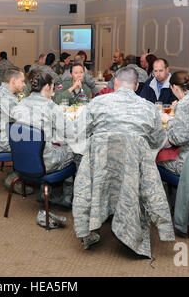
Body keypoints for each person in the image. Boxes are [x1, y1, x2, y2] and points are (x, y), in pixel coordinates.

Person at [73, 67, 168, 249]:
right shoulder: (149, 108)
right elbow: (158, 141)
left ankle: (92, 226)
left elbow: (78, 132)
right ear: (137, 86)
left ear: (115, 83)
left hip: (102, 169)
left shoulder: (97, 103)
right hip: (132, 171)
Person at [11, 68, 75, 209]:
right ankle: (67, 197)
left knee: (45, 145)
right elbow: (70, 133)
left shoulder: (20, 104)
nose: (52, 92)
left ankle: (44, 192)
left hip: (21, 160)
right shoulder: (51, 107)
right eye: (52, 88)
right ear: (46, 87)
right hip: (45, 163)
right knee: (74, 151)